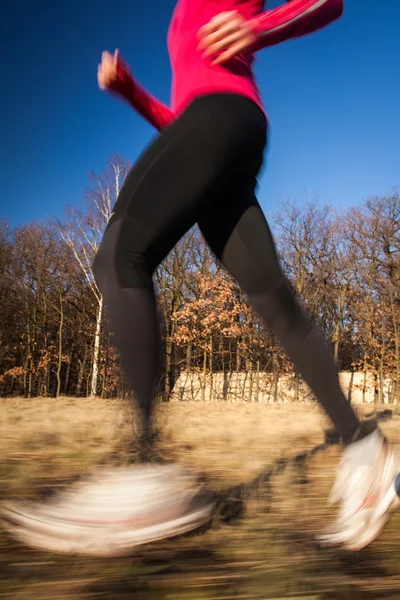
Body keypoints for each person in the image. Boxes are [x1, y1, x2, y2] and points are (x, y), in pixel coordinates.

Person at [3, 0, 399, 556]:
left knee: (119, 255)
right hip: (220, 134)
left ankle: (144, 473)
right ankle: (366, 450)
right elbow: (181, 127)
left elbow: (328, 3)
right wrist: (132, 93)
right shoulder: (182, 17)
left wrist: (255, 28)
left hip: (224, 119)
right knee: (273, 301)